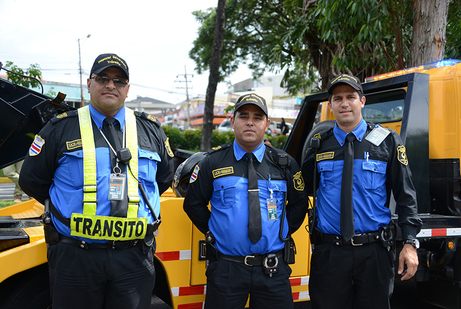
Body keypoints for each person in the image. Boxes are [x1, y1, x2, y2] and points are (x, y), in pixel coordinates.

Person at [19, 53, 174, 309]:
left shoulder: (151, 130)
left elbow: (162, 180)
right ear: (90, 84)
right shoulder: (59, 128)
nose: (111, 85)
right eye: (103, 78)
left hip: (133, 258)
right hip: (76, 256)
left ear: (127, 89)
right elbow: (32, 180)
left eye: (119, 81)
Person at [302, 74, 422, 309]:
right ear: (331, 105)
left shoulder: (387, 142)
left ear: (362, 101)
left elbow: (405, 194)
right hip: (329, 254)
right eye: (338, 98)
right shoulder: (318, 145)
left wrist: (409, 242)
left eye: (351, 97)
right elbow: (300, 190)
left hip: (374, 253)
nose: (344, 103)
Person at [183, 93, 306, 309]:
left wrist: (283, 231)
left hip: (273, 269)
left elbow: (299, 204)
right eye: (243, 116)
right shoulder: (212, 162)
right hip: (227, 270)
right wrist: (215, 232)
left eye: (258, 117)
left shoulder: (284, 164)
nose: (250, 122)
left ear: (266, 124)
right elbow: (193, 204)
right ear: (232, 121)